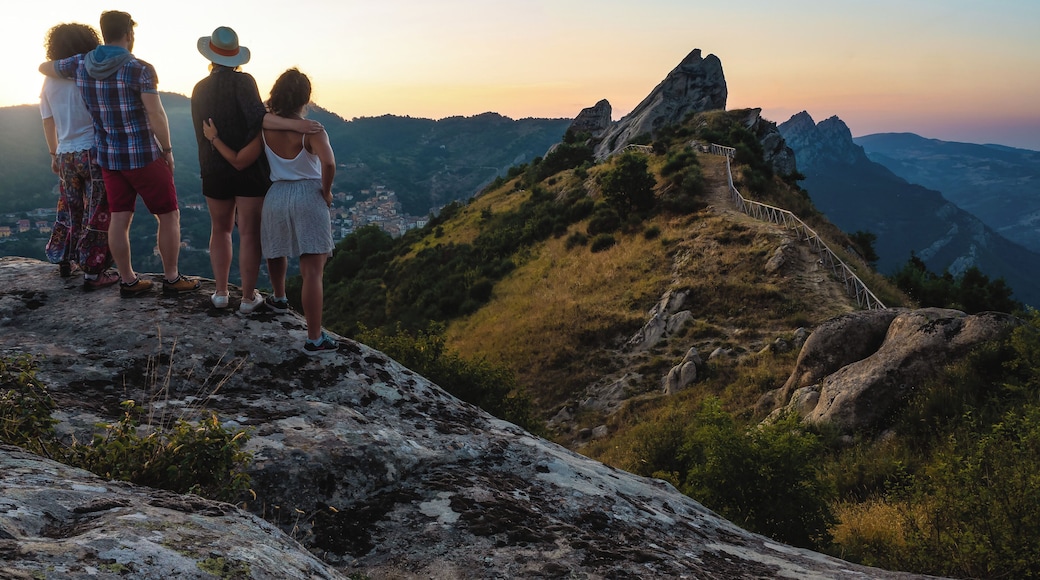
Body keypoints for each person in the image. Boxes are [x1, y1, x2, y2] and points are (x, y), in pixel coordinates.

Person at [39, 10, 199, 298]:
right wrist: (168, 149)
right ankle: (172, 278)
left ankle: (127, 279)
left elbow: (44, 66)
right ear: (129, 34)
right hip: (142, 155)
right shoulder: (139, 68)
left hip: (109, 158)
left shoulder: (79, 64)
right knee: (168, 215)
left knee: (119, 219)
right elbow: (156, 113)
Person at [204, 68, 338, 354]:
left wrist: (215, 141)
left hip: (276, 193)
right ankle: (314, 338)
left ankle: (279, 298)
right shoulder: (313, 130)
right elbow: (328, 163)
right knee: (312, 271)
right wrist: (325, 191)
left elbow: (241, 160)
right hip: (308, 194)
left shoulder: (266, 130)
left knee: (277, 251)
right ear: (306, 98)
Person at [191, 26, 322, 312]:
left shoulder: (199, 89)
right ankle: (249, 298)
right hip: (249, 170)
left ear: (211, 57)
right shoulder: (245, 82)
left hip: (214, 167)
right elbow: (259, 119)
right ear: (236, 58)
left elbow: (202, 134)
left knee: (220, 230)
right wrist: (295, 124)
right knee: (249, 233)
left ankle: (222, 293)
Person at [39, 23, 117, 290]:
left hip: (66, 153)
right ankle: (94, 273)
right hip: (94, 151)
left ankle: (64, 259)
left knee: (70, 209)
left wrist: (54, 153)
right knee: (97, 212)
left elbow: (48, 121)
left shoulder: (48, 81)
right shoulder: (89, 73)